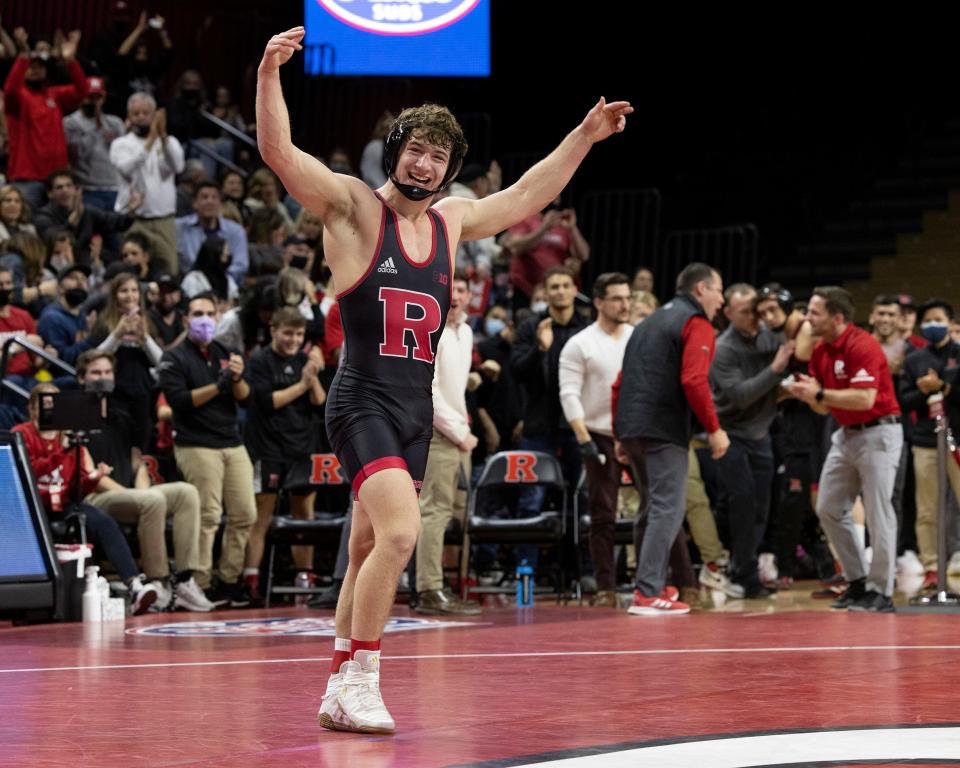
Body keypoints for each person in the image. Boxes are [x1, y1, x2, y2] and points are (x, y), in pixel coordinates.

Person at [256, 25, 631, 734]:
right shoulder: (353, 208)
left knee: (368, 547)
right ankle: (363, 675)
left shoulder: (454, 221)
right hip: (361, 398)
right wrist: (270, 72)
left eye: (438, 155)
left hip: (412, 410)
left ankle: (338, 683)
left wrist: (582, 138)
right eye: (415, 150)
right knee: (399, 536)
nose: (425, 164)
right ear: (395, 152)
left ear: (450, 167)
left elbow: (526, 194)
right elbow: (280, 153)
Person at [613, 262, 729, 616]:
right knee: (668, 507)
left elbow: (621, 381)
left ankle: (648, 583)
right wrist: (714, 428)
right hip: (663, 429)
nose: (721, 300)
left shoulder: (646, 323)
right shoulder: (695, 323)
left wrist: (621, 433)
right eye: (719, 290)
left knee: (651, 506)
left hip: (633, 426)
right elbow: (695, 381)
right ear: (700, 290)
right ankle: (647, 592)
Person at [786, 286, 902, 613]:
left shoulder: (861, 344)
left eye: (814, 312)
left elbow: (865, 399)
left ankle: (881, 592)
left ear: (836, 318)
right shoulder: (822, 352)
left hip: (879, 432)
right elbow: (823, 407)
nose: (808, 318)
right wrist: (809, 396)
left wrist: (820, 394)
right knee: (828, 506)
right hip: (846, 433)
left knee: (879, 514)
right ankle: (857, 581)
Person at [76, 349, 213, 611]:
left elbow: (137, 462)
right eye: (96, 373)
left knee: (186, 492)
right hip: (95, 497)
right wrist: (141, 497)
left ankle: (184, 580)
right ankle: (156, 582)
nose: (102, 378)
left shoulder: (121, 417)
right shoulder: (76, 419)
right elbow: (88, 472)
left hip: (128, 494)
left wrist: (140, 493)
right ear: (82, 378)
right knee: (151, 499)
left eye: (107, 372)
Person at [13, 382, 159, 614]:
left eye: (55, 405)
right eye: (45, 404)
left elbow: (76, 488)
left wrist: (93, 478)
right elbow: (27, 472)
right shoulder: (22, 434)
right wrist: (61, 452)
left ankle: (135, 585)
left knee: (103, 522)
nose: (51, 410)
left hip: (63, 503)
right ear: (32, 409)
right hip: (31, 506)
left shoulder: (71, 438)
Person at [156, 292, 257, 606]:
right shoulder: (173, 357)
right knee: (209, 515)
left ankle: (228, 579)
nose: (203, 319)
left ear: (218, 316)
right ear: (186, 319)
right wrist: (218, 385)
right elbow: (179, 401)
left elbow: (246, 398)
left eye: (209, 313)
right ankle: (198, 582)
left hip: (231, 440)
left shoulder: (228, 351)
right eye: (197, 313)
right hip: (195, 443)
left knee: (245, 514)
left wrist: (236, 378)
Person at [709, 283, 795, 597]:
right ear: (728, 313)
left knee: (762, 506)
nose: (755, 318)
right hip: (730, 434)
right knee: (742, 503)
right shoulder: (723, 348)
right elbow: (741, 396)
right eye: (746, 312)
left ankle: (747, 569)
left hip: (762, 433)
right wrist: (775, 370)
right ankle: (738, 570)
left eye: (757, 311)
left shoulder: (771, 335)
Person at [558, 272, 632, 607]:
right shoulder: (580, 343)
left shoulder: (636, 337)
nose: (625, 304)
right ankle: (606, 588)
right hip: (597, 434)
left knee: (657, 509)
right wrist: (583, 437)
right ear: (599, 302)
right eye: (617, 298)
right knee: (603, 515)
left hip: (634, 435)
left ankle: (654, 584)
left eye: (628, 297)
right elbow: (569, 394)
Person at [243, 307, 326, 603]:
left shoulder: (304, 360)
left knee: (304, 516)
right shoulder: (260, 361)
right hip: (268, 448)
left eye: (299, 334)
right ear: (273, 331)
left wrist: (313, 375)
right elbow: (266, 402)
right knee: (260, 516)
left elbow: (320, 401)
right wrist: (302, 384)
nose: (293, 339)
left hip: (301, 448)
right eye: (288, 333)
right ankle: (251, 577)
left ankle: (305, 577)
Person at [414, 270, 481, 615]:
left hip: (460, 434)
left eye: (461, 290)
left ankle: (454, 585)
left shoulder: (466, 332)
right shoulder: (432, 331)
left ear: (469, 296)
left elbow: (453, 388)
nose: (455, 296)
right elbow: (429, 391)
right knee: (435, 511)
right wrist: (458, 433)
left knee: (459, 513)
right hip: (441, 435)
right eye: (450, 288)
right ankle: (428, 589)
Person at [899, 298, 960, 589]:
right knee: (927, 508)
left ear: (950, 323)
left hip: (957, 438)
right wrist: (925, 392)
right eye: (928, 321)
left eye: (938, 319)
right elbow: (904, 399)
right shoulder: (914, 359)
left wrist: (944, 388)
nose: (932, 325)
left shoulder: (959, 354)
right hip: (925, 439)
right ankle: (933, 566)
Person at [2, 29, 86, 209]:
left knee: (56, 229)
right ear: (23, 70)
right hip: (26, 178)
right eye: (31, 67)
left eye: (39, 67)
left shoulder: (54, 95)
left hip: (56, 179)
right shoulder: (19, 98)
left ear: (46, 71)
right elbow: (9, 90)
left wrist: (71, 61)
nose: (35, 70)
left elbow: (82, 92)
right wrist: (23, 56)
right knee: (26, 229)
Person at [109, 92, 185, 275]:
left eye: (146, 113)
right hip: (133, 219)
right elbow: (126, 168)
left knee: (169, 269)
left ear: (154, 116)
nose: (141, 118)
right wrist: (151, 140)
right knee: (129, 271)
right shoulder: (121, 144)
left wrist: (163, 136)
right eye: (136, 114)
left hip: (163, 219)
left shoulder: (170, 142)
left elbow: (178, 166)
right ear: (128, 117)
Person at [63, 76, 125, 212]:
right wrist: (96, 128)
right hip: (88, 190)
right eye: (90, 96)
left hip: (115, 188)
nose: (94, 102)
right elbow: (77, 155)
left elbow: (124, 155)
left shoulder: (114, 123)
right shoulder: (70, 123)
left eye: (98, 97)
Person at [175, 180, 249, 283]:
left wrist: (217, 278)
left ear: (219, 203)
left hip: (225, 284)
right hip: (190, 283)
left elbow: (240, 265)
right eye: (204, 197)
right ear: (194, 203)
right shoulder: (179, 227)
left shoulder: (236, 231)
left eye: (214, 197)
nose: (210, 201)